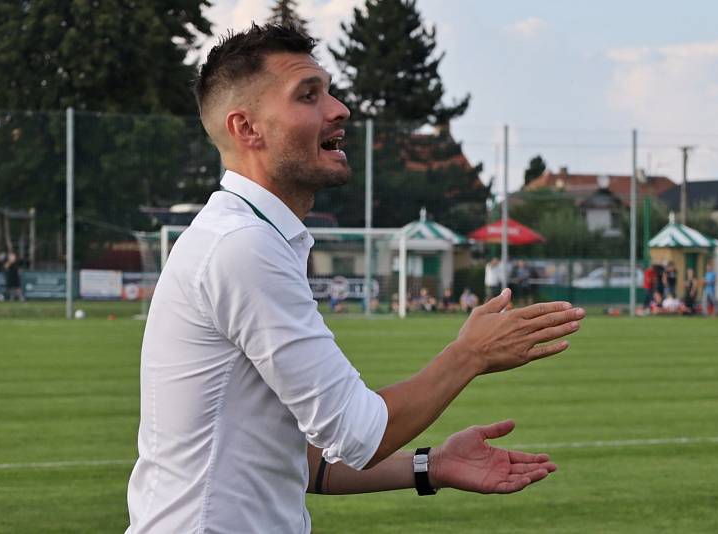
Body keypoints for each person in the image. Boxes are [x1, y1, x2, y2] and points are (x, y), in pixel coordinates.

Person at [125, 24, 585, 534]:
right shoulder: (242, 247)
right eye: (308, 95)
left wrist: (430, 466)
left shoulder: (249, 236)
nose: (339, 108)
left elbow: (303, 460)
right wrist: (469, 354)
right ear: (246, 128)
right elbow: (357, 431)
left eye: (329, 89)